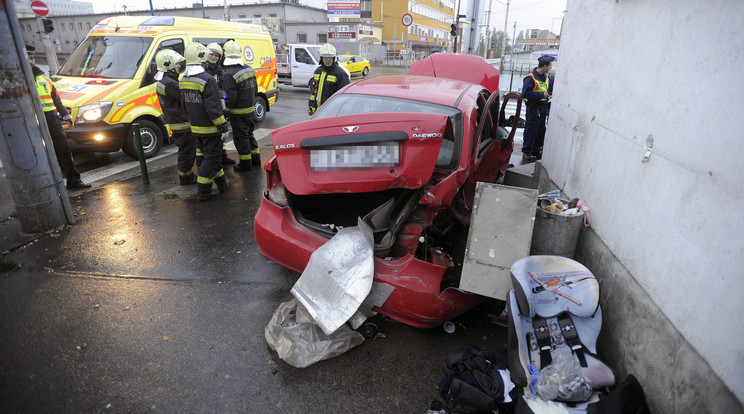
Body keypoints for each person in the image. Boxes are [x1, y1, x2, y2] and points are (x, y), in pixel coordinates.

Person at [26, 45, 91, 190]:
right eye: (27, 58)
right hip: (31, 121)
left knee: (63, 149)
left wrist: (67, 116)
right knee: (39, 154)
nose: (31, 61)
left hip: (51, 119)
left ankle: (73, 181)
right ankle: (44, 185)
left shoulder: (44, 79)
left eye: (32, 58)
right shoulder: (18, 82)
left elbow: (56, 100)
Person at [180, 42, 229, 201]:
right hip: (210, 130)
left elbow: (184, 106)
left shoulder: (183, 79)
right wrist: (223, 126)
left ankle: (222, 185)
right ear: (203, 57)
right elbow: (213, 108)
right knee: (213, 159)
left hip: (195, 129)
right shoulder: (208, 80)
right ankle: (204, 191)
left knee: (210, 157)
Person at [155, 49, 196, 185]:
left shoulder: (164, 81)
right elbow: (185, 99)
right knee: (186, 151)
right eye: (177, 64)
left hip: (176, 121)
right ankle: (186, 177)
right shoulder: (170, 84)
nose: (179, 66)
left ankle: (186, 174)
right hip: (181, 122)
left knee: (186, 149)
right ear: (169, 65)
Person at [222, 40, 260, 171]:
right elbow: (255, 90)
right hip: (250, 111)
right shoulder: (249, 69)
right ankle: (256, 160)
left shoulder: (229, 74)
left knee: (241, 139)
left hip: (238, 115)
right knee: (250, 135)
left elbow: (230, 98)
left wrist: (225, 111)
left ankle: (245, 165)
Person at [204, 42, 236, 168]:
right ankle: (212, 160)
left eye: (216, 56)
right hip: (208, 107)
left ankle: (223, 157)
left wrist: (223, 101)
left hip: (218, 106)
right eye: (212, 55)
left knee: (220, 135)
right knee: (211, 137)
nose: (214, 58)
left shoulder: (220, 71)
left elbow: (224, 87)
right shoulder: (202, 70)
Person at [521, 55, 554, 161]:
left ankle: (536, 150)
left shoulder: (546, 77)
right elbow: (525, 93)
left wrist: (548, 95)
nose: (551, 68)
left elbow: (545, 89)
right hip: (533, 108)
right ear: (544, 66)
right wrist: (541, 95)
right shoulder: (530, 78)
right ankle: (526, 151)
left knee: (541, 130)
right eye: (550, 66)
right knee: (531, 130)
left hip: (543, 107)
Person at [308, 43, 350, 115]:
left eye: (330, 57)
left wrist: (342, 113)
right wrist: (311, 105)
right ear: (321, 58)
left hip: (332, 112)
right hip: (318, 112)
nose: (328, 60)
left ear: (334, 58)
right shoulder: (317, 71)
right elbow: (315, 92)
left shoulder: (340, 73)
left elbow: (345, 96)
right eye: (325, 58)